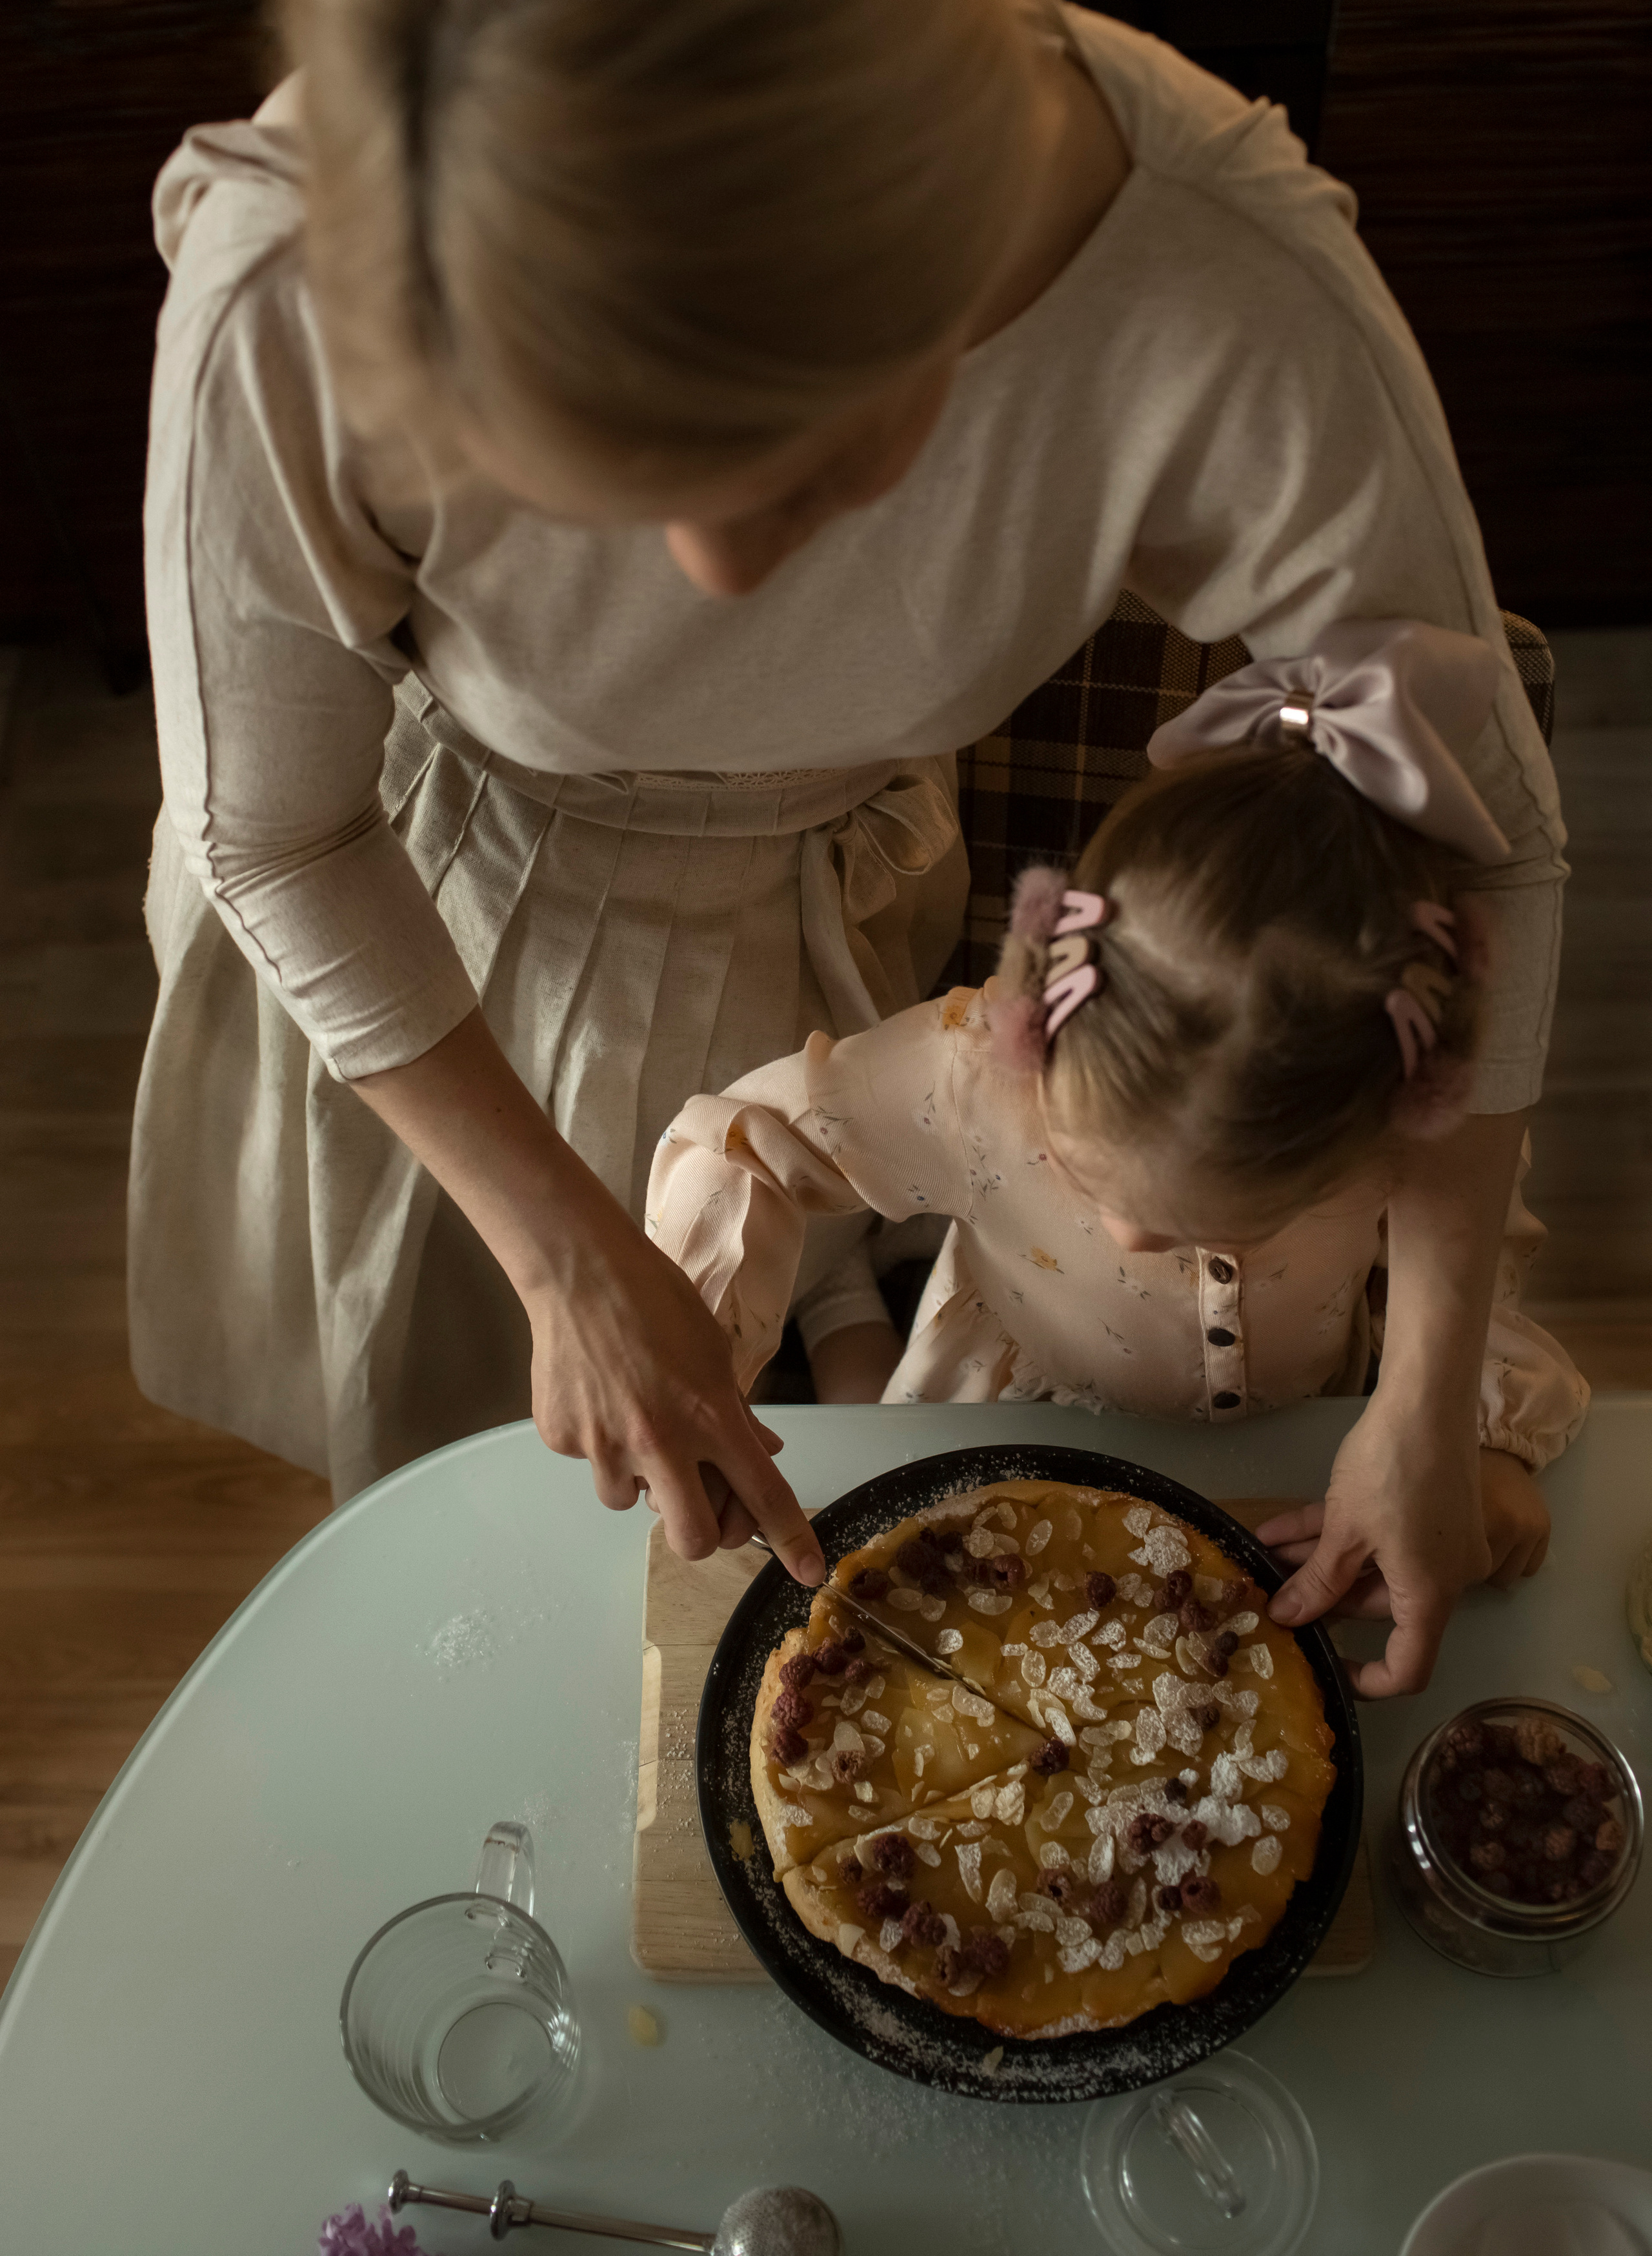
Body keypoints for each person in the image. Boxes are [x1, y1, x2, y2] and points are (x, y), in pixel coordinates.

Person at [131, 0, 1567, 1693]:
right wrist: (571, 1258)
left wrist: (1426, 1391)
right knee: (465, 1507)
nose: (720, 582)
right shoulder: (295, 272)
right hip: (438, 923)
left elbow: (1476, 839)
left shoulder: (1217, 283)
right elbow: (285, 830)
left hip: (842, 880)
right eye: (606, 487)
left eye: (799, 473)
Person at [648, 623, 1587, 1694]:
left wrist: (1489, 1445)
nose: (1134, 1240)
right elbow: (736, 1145)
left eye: (1207, 1225)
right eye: (1087, 1177)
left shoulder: (1407, 1121)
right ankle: (847, 1307)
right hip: (996, 1410)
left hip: (1301, 1440)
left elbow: (1480, 1253)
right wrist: (699, 1355)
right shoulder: (972, 1071)